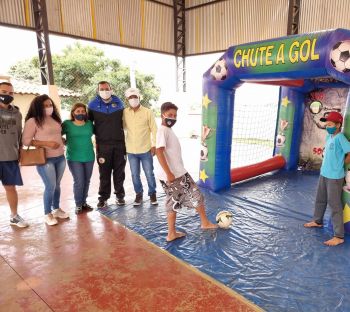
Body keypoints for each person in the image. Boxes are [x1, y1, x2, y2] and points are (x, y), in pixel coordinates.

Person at [156, 102, 217, 242]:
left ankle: (172, 233)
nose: (173, 118)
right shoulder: (163, 130)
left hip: (175, 173)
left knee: (173, 201)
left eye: (175, 115)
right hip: (174, 175)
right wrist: (169, 173)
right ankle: (204, 223)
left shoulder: (167, 130)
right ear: (162, 114)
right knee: (195, 195)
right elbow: (159, 151)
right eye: (170, 115)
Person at [304, 111, 350, 246]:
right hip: (324, 174)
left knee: (334, 204)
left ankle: (339, 236)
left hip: (335, 176)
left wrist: (342, 163)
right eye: (327, 124)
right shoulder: (329, 136)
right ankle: (317, 221)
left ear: (338, 125)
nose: (327, 126)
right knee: (320, 199)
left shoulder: (340, 137)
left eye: (330, 124)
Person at [22, 94, 69, 226]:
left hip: (60, 157)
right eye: (45, 106)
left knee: (57, 185)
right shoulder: (33, 121)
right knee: (50, 186)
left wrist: (62, 140)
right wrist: (47, 143)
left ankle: (56, 209)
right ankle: (47, 213)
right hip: (45, 159)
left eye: (50, 105)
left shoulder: (54, 119)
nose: (49, 107)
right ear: (38, 107)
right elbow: (25, 141)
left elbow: (56, 135)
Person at [88, 81, 126, 208]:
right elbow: (89, 125)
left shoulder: (119, 104)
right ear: (98, 90)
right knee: (104, 173)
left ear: (111, 89)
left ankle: (120, 196)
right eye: (102, 89)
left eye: (106, 88)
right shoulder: (92, 105)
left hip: (119, 144)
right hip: (103, 145)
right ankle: (103, 198)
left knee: (119, 172)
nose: (104, 91)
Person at [0, 82, 28, 227]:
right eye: (4, 91)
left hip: (9, 157)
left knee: (10, 188)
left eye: (10, 93)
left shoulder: (17, 113)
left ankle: (14, 216)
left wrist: (20, 150)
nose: (7, 95)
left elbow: (19, 134)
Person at [123, 87, 158, 206]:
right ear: (127, 99)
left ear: (139, 97)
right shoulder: (124, 112)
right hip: (131, 150)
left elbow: (154, 129)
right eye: (130, 97)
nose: (133, 99)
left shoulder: (148, 112)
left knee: (149, 173)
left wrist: (154, 145)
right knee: (134, 174)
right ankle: (139, 194)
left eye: (135, 97)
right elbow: (121, 128)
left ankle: (152, 194)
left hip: (146, 149)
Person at [62, 103, 95, 214]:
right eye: (78, 111)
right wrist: (64, 142)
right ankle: (78, 204)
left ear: (85, 113)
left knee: (87, 181)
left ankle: (84, 202)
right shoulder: (67, 124)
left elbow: (99, 133)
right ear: (73, 113)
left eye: (82, 111)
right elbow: (57, 134)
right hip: (74, 157)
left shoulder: (90, 124)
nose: (80, 113)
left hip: (89, 156)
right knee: (79, 181)